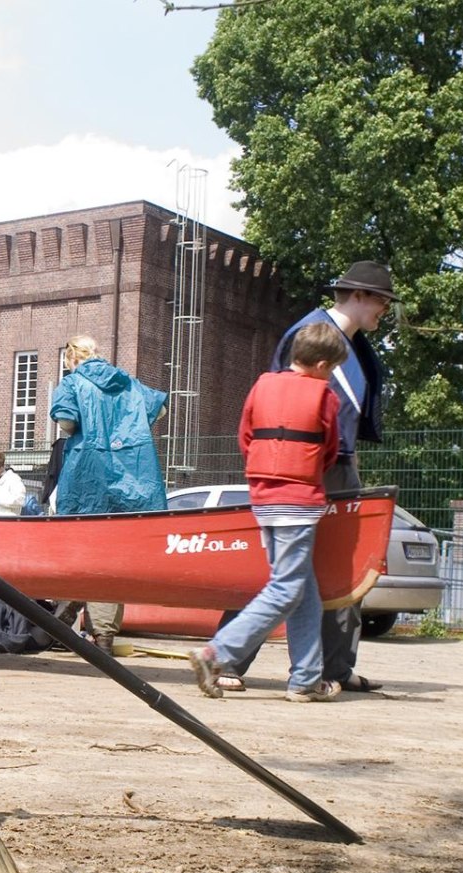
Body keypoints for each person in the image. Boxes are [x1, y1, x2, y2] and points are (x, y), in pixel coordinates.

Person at [188, 320, 349, 702]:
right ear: (323, 365)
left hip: (263, 496)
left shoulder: (262, 385)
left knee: (301, 586)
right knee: (284, 589)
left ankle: (306, 679)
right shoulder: (324, 395)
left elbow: (245, 437)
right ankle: (216, 654)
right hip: (299, 501)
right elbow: (330, 449)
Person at [268, 260, 396, 693]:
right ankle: (229, 657)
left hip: (341, 463)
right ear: (358, 296)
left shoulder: (353, 343)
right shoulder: (311, 334)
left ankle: (336, 667)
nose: (386, 309)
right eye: (382, 300)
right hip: (309, 468)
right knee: (284, 567)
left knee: (346, 563)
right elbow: (284, 397)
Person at [48, 335, 168, 649]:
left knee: (80, 548)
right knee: (113, 554)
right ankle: (104, 634)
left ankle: (67, 611)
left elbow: (67, 422)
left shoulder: (72, 384)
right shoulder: (127, 382)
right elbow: (162, 408)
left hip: (87, 475)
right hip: (130, 476)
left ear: (72, 358)